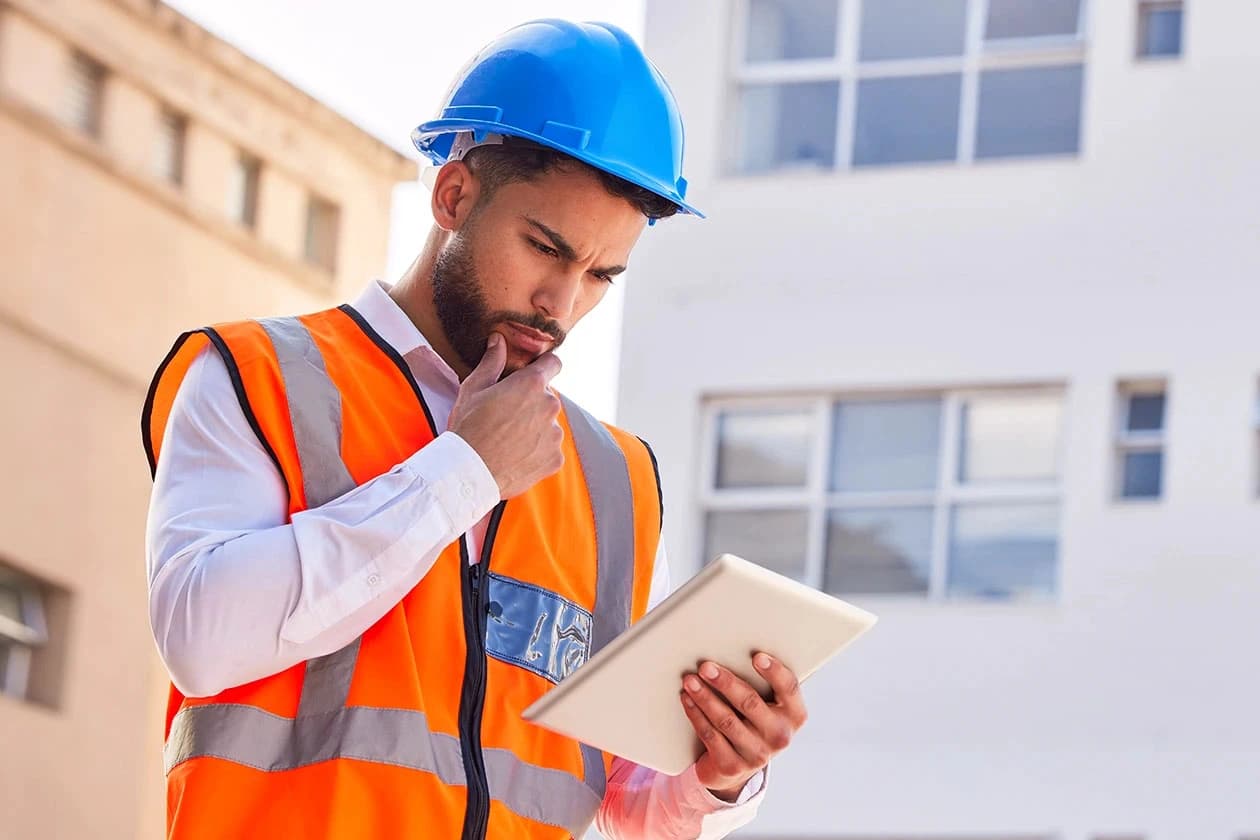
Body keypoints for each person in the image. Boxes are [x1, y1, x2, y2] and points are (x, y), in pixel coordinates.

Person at [142, 19, 807, 840]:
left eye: (600, 275)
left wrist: (720, 772)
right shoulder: (260, 376)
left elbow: (624, 804)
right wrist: (463, 472)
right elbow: (202, 640)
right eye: (545, 248)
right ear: (453, 195)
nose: (562, 305)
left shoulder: (614, 482)